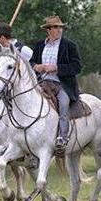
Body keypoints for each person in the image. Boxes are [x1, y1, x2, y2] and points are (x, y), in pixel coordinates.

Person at [31, 16, 82, 154]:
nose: (60, 30)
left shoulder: (69, 45)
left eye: (60, 27)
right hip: (41, 83)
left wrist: (56, 68)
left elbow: (77, 67)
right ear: (48, 30)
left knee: (63, 105)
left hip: (62, 84)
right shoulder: (40, 45)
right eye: (56, 27)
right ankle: (30, 139)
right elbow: (31, 62)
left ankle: (62, 138)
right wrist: (37, 67)